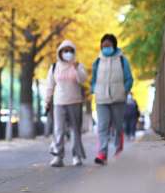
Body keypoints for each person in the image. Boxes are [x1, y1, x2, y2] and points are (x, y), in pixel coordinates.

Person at [91, 33, 133, 165]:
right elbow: (93, 80)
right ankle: (102, 153)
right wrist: (95, 90)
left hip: (118, 99)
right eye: (103, 46)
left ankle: (118, 149)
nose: (106, 48)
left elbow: (129, 78)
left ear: (114, 46)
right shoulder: (97, 61)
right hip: (102, 100)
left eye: (108, 46)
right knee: (102, 127)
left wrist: (124, 90)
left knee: (118, 126)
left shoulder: (122, 60)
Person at [44, 39, 87, 167]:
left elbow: (83, 80)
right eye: (65, 51)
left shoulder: (78, 66)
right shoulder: (54, 67)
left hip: (75, 101)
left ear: (73, 52)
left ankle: (77, 156)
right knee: (59, 130)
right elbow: (50, 86)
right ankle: (58, 156)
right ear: (60, 52)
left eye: (70, 51)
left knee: (75, 130)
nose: (67, 53)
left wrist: (76, 68)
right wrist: (47, 101)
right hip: (59, 102)